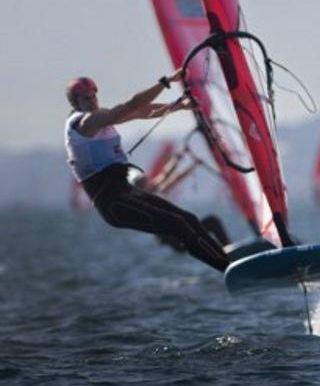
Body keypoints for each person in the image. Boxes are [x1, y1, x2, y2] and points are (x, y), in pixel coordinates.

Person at [63, 72, 231, 272]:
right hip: (114, 204)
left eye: (93, 96)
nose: (91, 101)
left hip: (127, 194)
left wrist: (177, 107)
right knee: (178, 225)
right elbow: (132, 105)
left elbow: (140, 112)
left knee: (190, 219)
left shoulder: (100, 118)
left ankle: (230, 264)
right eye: (85, 98)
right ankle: (228, 269)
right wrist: (166, 82)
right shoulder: (84, 123)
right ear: (75, 103)